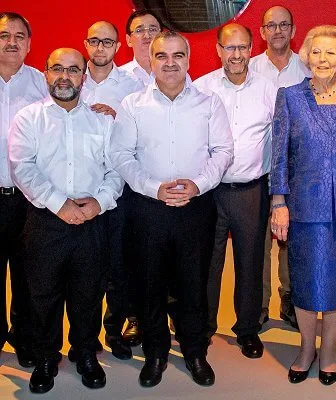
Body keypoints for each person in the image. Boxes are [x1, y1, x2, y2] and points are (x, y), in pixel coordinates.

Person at [110, 31, 233, 387]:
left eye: (178, 55)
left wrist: (198, 185)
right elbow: (120, 155)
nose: (170, 63)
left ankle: (195, 352)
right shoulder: (133, 105)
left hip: (196, 208)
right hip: (148, 209)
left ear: (189, 60)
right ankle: (156, 353)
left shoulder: (209, 103)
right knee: (149, 284)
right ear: (151, 59)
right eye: (162, 56)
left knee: (193, 284)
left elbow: (223, 151)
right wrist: (153, 189)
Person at [9, 48, 123, 393]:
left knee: (87, 294)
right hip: (45, 221)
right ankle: (46, 357)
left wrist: (98, 204)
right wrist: (61, 205)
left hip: (92, 220)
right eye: (57, 68)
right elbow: (22, 168)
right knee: (43, 295)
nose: (64, 76)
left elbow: (115, 169)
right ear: (45, 74)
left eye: (73, 70)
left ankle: (86, 353)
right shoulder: (28, 118)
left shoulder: (102, 121)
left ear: (83, 78)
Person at [270, 25, 336, 386]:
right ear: (306, 56)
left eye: (330, 53)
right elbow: (279, 153)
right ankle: (305, 349)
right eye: (316, 52)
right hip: (302, 207)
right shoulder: (290, 96)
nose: (323, 59)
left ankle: (329, 352)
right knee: (304, 282)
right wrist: (278, 201)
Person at [194, 23, 276, 359]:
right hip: (209, 192)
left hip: (251, 191)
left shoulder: (270, 89)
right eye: (230, 48)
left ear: (252, 48)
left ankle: (247, 330)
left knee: (250, 262)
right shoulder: (201, 89)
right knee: (205, 263)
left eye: (243, 47)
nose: (237, 55)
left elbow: (279, 141)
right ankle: (203, 327)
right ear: (218, 49)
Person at [80, 20, 144, 360]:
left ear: (119, 46)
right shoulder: (73, 78)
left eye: (108, 42)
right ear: (86, 43)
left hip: (120, 191)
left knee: (119, 269)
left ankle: (114, 332)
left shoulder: (131, 85)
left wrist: (116, 115)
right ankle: (86, 340)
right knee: (87, 270)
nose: (100, 48)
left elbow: (142, 131)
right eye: (94, 41)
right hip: (81, 190)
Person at [250, 4, 311, 329]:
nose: (277, 31)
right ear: (262, 32)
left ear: (293, 30)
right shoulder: (249, 68)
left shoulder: (307, 68)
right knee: (257, 243)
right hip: (258, 168)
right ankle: (258, 307)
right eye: (271, 25)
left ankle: (290, 301)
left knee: (291, 242)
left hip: (296, 171)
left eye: (283, 25)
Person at [0, 11, 47, 368]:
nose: (11, 41)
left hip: (27, 199)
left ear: (29, 45)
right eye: (4, 35)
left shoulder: (41, 84)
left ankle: (26, 337)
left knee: (27, 274)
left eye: (19, 36)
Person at [120, 10, 162, 86]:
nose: (147, 36)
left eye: (152, 29)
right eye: (139, 30)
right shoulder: (119, 77)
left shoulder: (174, 74)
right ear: (128, 40)